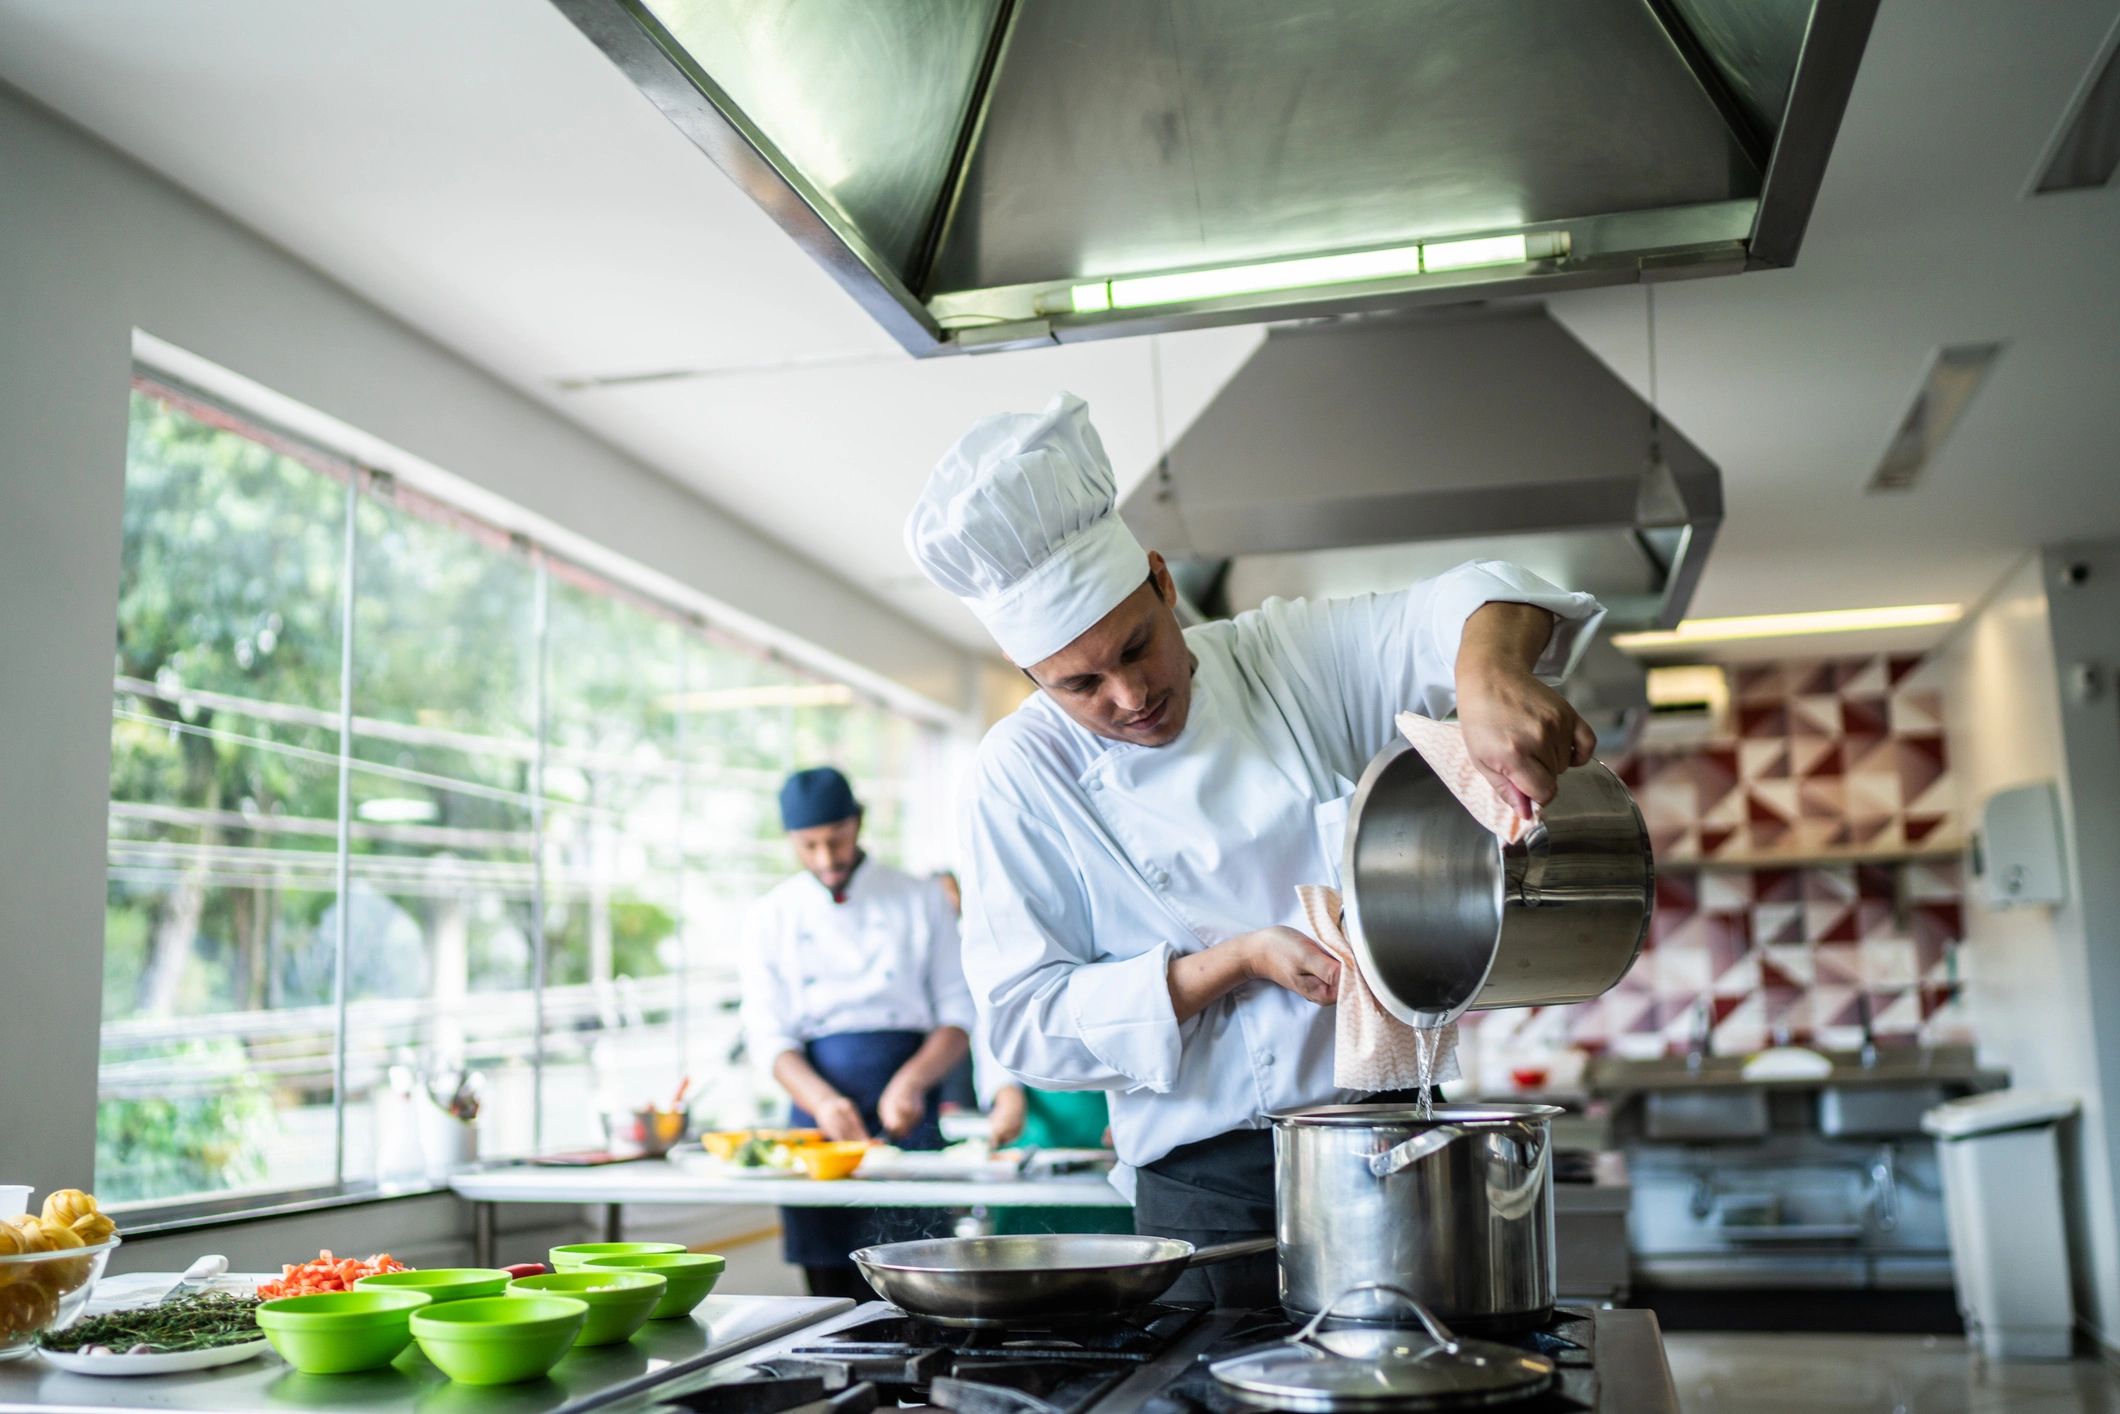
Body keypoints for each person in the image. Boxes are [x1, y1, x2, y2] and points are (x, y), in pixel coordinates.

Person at [903, 393, 1604, 1308]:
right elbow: (1024, 1024)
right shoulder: (1017, 776)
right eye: (1080, 684)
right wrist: (1229, 965)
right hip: (1205, 1186)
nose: (1129, 696)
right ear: (1035, 678)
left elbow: (1477, 594)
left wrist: (1487, 672)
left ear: (1160, 581)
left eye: (1138, 646)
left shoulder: (1280, 658)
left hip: (1397, 1135)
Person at [738, 766, 974, 1300]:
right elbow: (769, 1037)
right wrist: (823, 1102)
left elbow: (958, 1017)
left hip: (908, 1119)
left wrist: (912, 1082)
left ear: (858, 823)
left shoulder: (921, 898)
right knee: (827, 1296)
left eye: (837, 840)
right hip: (815, 1127)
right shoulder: (770, 916)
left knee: (919, 1287)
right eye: (810, 846)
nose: (827, 859)